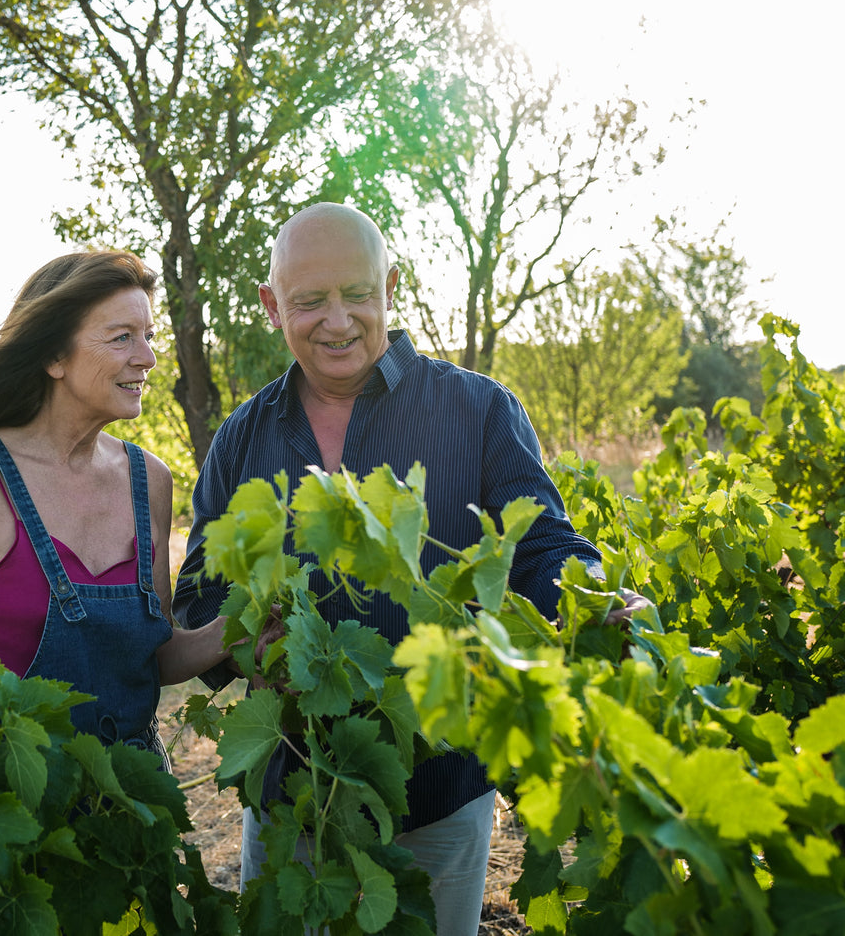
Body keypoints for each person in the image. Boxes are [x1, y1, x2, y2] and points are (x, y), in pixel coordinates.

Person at [173, 202, 646, 934]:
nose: (337, 320)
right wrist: (245, 639)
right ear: (272, 306)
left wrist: (585, 595)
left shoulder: (478, 410)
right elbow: (197, 594)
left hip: (438, 788)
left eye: (357, 293)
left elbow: (539, 541)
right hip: (294, 786)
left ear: (390, 287)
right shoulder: (242, 437)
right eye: (309, 301)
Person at [0, 249, 262, 766]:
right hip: (9, 795)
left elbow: (155, 655)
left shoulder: (151, 482)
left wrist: (244, 623)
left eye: (148, 336)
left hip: (132, 800)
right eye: (122, 337)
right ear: (54, 357)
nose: (147, 357)